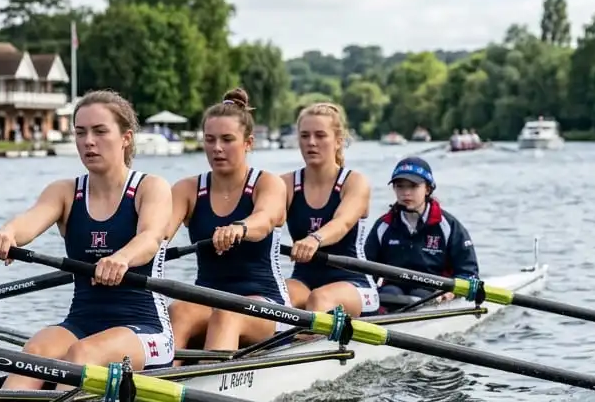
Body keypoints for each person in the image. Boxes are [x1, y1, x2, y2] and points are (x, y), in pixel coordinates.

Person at [0, 90, 174, 402]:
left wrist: (122, 259)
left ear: (126, 138)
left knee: (83, 354)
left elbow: (151, 237)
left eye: (100, 131)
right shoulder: (65, 191)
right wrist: (7, 235)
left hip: (143, 328)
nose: (89, 141)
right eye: (80, 132)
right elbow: (30, 220)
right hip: (81, 321)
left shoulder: (150, 187)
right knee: (37, 349)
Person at [167, 87, 289, 352]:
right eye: (209, 140)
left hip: (266, 304)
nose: (217, 148)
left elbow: (265, 219)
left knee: (227, 313)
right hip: (206, 298)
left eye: (227, 139)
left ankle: (208, 380)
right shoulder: (186, 190)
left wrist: (239, 228)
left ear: (248, 143)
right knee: (178, 310)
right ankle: (157, 382)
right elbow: (157, 235)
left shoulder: (268, 183)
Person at [278, 102, 379, 316]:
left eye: (320, 135)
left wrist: (314, 239)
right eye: (305, 136)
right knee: (272, 296)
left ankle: (303, 343)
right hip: (303, 280)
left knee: (320, 299)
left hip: (354, 283)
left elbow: (342, 223)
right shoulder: (284, 184)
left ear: (338, 141)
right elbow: (264, 217)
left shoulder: (355, 182)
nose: (311, 143)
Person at [363, 156, 479, 304]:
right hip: (392, 293)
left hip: (433, 292)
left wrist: (452, 292)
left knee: (421, 294)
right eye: (400, 186)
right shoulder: (383, 226)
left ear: (428, 189)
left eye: (413, 186)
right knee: (390, 293)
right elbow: (365, 271)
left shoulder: (448, 226)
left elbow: (469, 273)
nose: (406, 193)